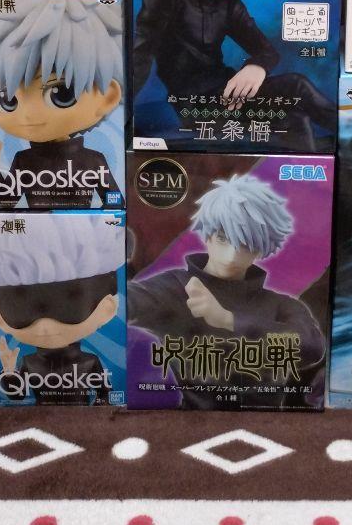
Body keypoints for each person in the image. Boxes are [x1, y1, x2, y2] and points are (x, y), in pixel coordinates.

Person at [131, 0, 337, 150]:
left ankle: (324, 162)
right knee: (297, 87)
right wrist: (123, 109)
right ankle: (351, 138)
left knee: (295, 120)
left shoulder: (228, 5)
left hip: (231, 92)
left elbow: (267, 51)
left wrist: (256, 66)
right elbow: (142, 51)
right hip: (195, 105)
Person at [128, 172, 326, 409]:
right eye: (223, 239)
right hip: (189, 420)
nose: (231, 256)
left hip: (268, 420)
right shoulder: (176, 288)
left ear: (260, 250)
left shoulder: (283, 305)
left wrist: (227, 319)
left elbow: (311, 347)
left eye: (246, 245)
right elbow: (127, 301)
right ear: (208, 236)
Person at [0, 0, 123, 207]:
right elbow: (7, 201)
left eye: (61, 93)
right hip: (37, 225)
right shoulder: (24, 159)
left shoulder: (94, 159)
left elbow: (114, 202)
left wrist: (100, 222)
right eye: (7, 100)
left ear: (108, 97)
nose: (28, 114)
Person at [0, 213, 122, 405]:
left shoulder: (89, 361)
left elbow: (106, 394)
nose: (45, 327)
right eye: (20, 310)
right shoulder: (29, 362)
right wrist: (9, 373)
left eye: (68, 308)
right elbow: (17, 396)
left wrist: (101, 408)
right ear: (0, 317)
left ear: (107, 309)